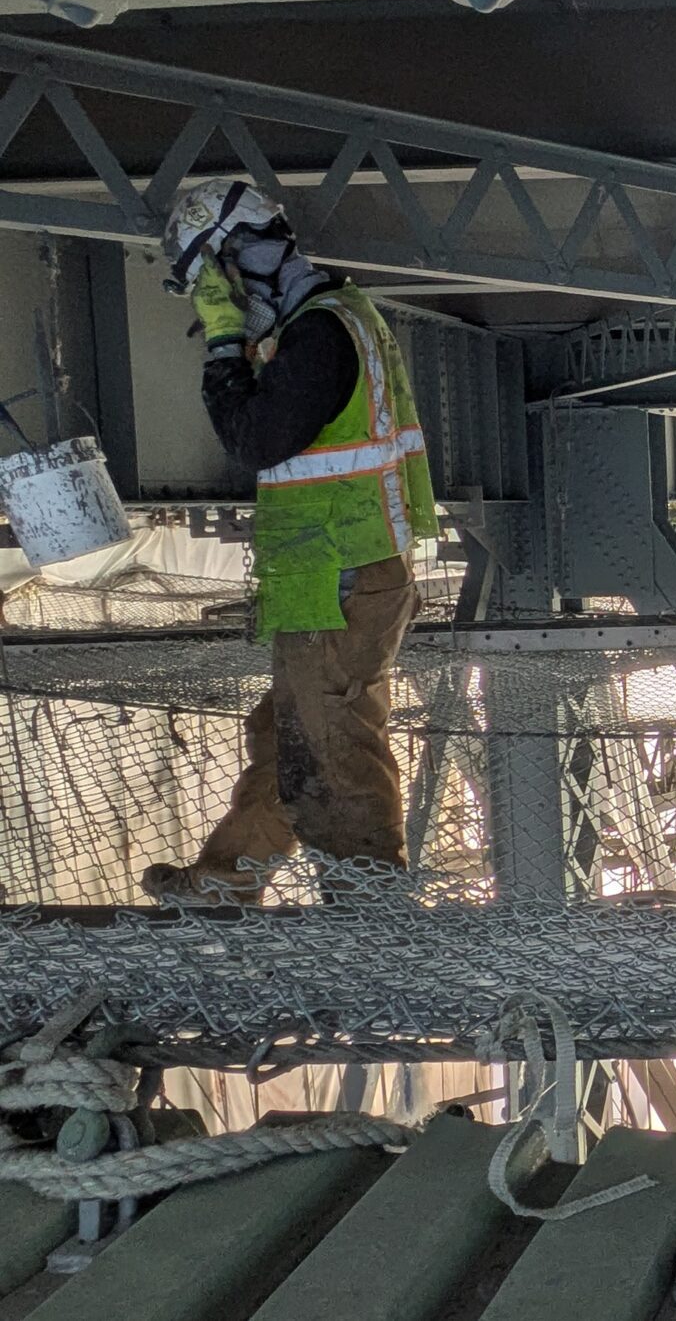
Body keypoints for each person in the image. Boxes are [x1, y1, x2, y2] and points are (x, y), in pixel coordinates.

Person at [142, 180, 434, 901]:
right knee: (289, 735)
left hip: (339, 570)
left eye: (213, 282)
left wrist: (222, 345)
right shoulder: (336, 319)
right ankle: (226, 878)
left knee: (330, 743)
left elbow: (255, 440)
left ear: (236, 259)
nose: (221, 299)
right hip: (336, 568)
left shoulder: (320, 333)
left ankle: (368, 902)